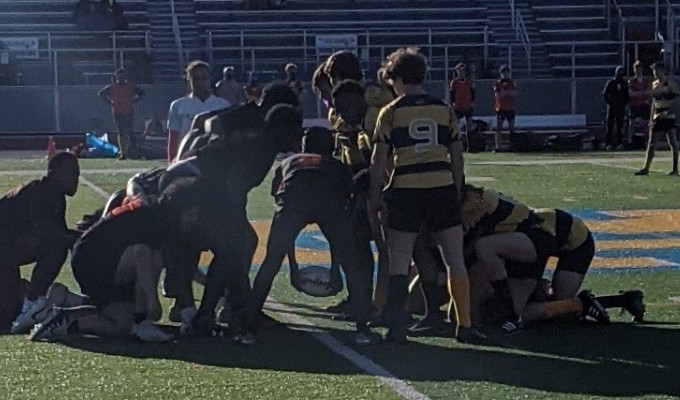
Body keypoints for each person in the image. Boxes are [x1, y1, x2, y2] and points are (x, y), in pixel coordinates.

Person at [163, 83, 304, 337]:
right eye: (293, 132)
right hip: (192, 185)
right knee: (233, 243)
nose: (296, 139)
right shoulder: (259, 145)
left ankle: (223, 306)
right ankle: (213, 310)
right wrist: (232, 216)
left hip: (199, 183)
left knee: (238, 242)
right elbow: (233, 183)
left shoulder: (261, 141)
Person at [369, 47, 485, 344]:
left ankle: (396, 328)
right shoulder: (443, 109)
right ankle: (465, 325)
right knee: (454, 259)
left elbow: (378, 161)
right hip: (442, 188)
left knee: (399, 260)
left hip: (406, 190)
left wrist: (376, 196)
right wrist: (456, 191)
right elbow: (458, 157)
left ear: (396, 79)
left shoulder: (391, 111)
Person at [243, 127, 374, 345]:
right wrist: (335, 270)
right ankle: (362, 328)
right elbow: (339, 212)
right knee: (352, 266)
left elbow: (281, 199)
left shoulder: (287, 162)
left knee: (271, 262)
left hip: (293, 204)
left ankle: (248, 327)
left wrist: (294, 267)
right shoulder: (338, 166)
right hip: (328, 205)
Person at [29, 179, 201, 343]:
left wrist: (189, 312)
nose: (194, 220)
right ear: (177, 211)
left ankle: (65, 317)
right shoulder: (152, 218)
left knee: (121, 325)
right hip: (91, 261)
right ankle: (143, 320)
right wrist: (152, 303)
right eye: (191, 214)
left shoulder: (163, 219)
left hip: (103, 260)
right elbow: (141, 254)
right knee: (149, 254)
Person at [0, 152, 81, 333]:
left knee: (8, 313)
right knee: (56, 247)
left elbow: (58, 231)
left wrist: (85, 235)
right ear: (54, 173)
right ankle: (31, 301)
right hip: (5, 252)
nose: (76, 180)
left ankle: (27, 297)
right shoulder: (42, 193)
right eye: (72, 174)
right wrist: (76, 239)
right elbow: (46, 233)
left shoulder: (55, 195)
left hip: (7, 252)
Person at [166, 60, 230, 163]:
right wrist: (171, 161)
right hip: (185, 158)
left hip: (215, 160)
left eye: (203, 78)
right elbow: (173, 137)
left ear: (210, 79)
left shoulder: (223, 105)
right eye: (195, 79)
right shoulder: (178, 105)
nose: (200, 83)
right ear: (188, 79)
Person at [635, 61, 679, 176]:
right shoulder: (655, 84)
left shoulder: (671, 84)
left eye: (655, 70)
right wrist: (651, 118)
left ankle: (675, 168)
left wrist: (668, 112)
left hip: (668, 116)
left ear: (661, 70)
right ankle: (646, 168)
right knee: (651, 142)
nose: (654, 73)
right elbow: (654, 103)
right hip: (657, 116)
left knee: (673, 142)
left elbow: (675, 102)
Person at [98, 68, 145, 159]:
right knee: (121, 132)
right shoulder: (113, 86)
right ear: (116, 77)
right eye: (119, 76)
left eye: (123, 75)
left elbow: (142, 93)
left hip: (128, 111)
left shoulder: (130, 86)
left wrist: (134, 100)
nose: (121, 78)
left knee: (130, 131)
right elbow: (101, 93)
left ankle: (132, 151)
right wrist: (110, 102)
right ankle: (123, 152)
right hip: (118, 111)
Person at [602, 66, 630, 150]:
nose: (620, 74)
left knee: (619, 127)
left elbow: (626, 95)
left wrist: (624, 104)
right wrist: (610, 102)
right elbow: (605, 94)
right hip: (611, 108)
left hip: (620, 108)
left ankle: (619, 143)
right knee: (609, 126)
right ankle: (608, 143)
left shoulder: (624, 83)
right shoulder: (611, 82)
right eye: (619, 72)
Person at [627, 60, 651, 147]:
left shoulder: (646, 81)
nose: (638, 70)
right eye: (636, 69)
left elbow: (648, 93)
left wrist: (637, 93)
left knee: (646, 123)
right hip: (634, 105)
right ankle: (629, 142)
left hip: (644, 105)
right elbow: (631, 94)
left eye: (639, 68)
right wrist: (641, 93)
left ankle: (648, 141)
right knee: (632, 124)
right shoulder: (631, 82)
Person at [493, 65, 517, 152]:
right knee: (499, 128)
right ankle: (497, 146)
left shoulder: (512, 82)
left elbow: (514, 93)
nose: (505, 74)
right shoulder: (497, 83)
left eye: (507, 72)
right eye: (503, 72)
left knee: (511, 128)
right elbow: (498, 95)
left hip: (510, 108)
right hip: (500, 108)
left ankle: (513, 146)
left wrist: (505, 93)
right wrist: (507, 93)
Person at [449, 63, 475, 137]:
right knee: (456, 125)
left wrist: (472, 102)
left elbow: (473, 93)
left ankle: (469, 143)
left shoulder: (469, 82)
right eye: (459, 70)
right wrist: (452, 105)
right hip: (458, 106)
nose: (461, 72)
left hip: (467, 105)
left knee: (469, 125)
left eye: (462, 71)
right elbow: (451, 95)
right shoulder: (454, 83)